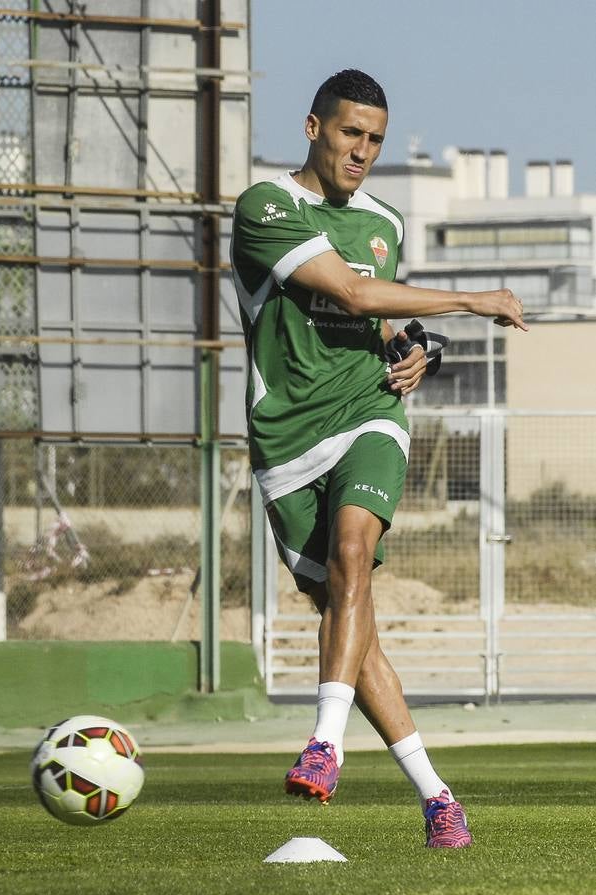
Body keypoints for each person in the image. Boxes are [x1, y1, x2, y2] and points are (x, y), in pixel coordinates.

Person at [230, 69, 526, 849]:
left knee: (354, 555)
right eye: (349, 133)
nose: (361, 151)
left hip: (369, 414)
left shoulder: (382, 220)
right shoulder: (265, 207)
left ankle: (323, 744)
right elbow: (356, 298)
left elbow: (381, 324)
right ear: (313, 128)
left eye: (374, 140)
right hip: (287, 440)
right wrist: (473, 301)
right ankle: (437, 799)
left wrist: (418, 350)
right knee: (347, 624)